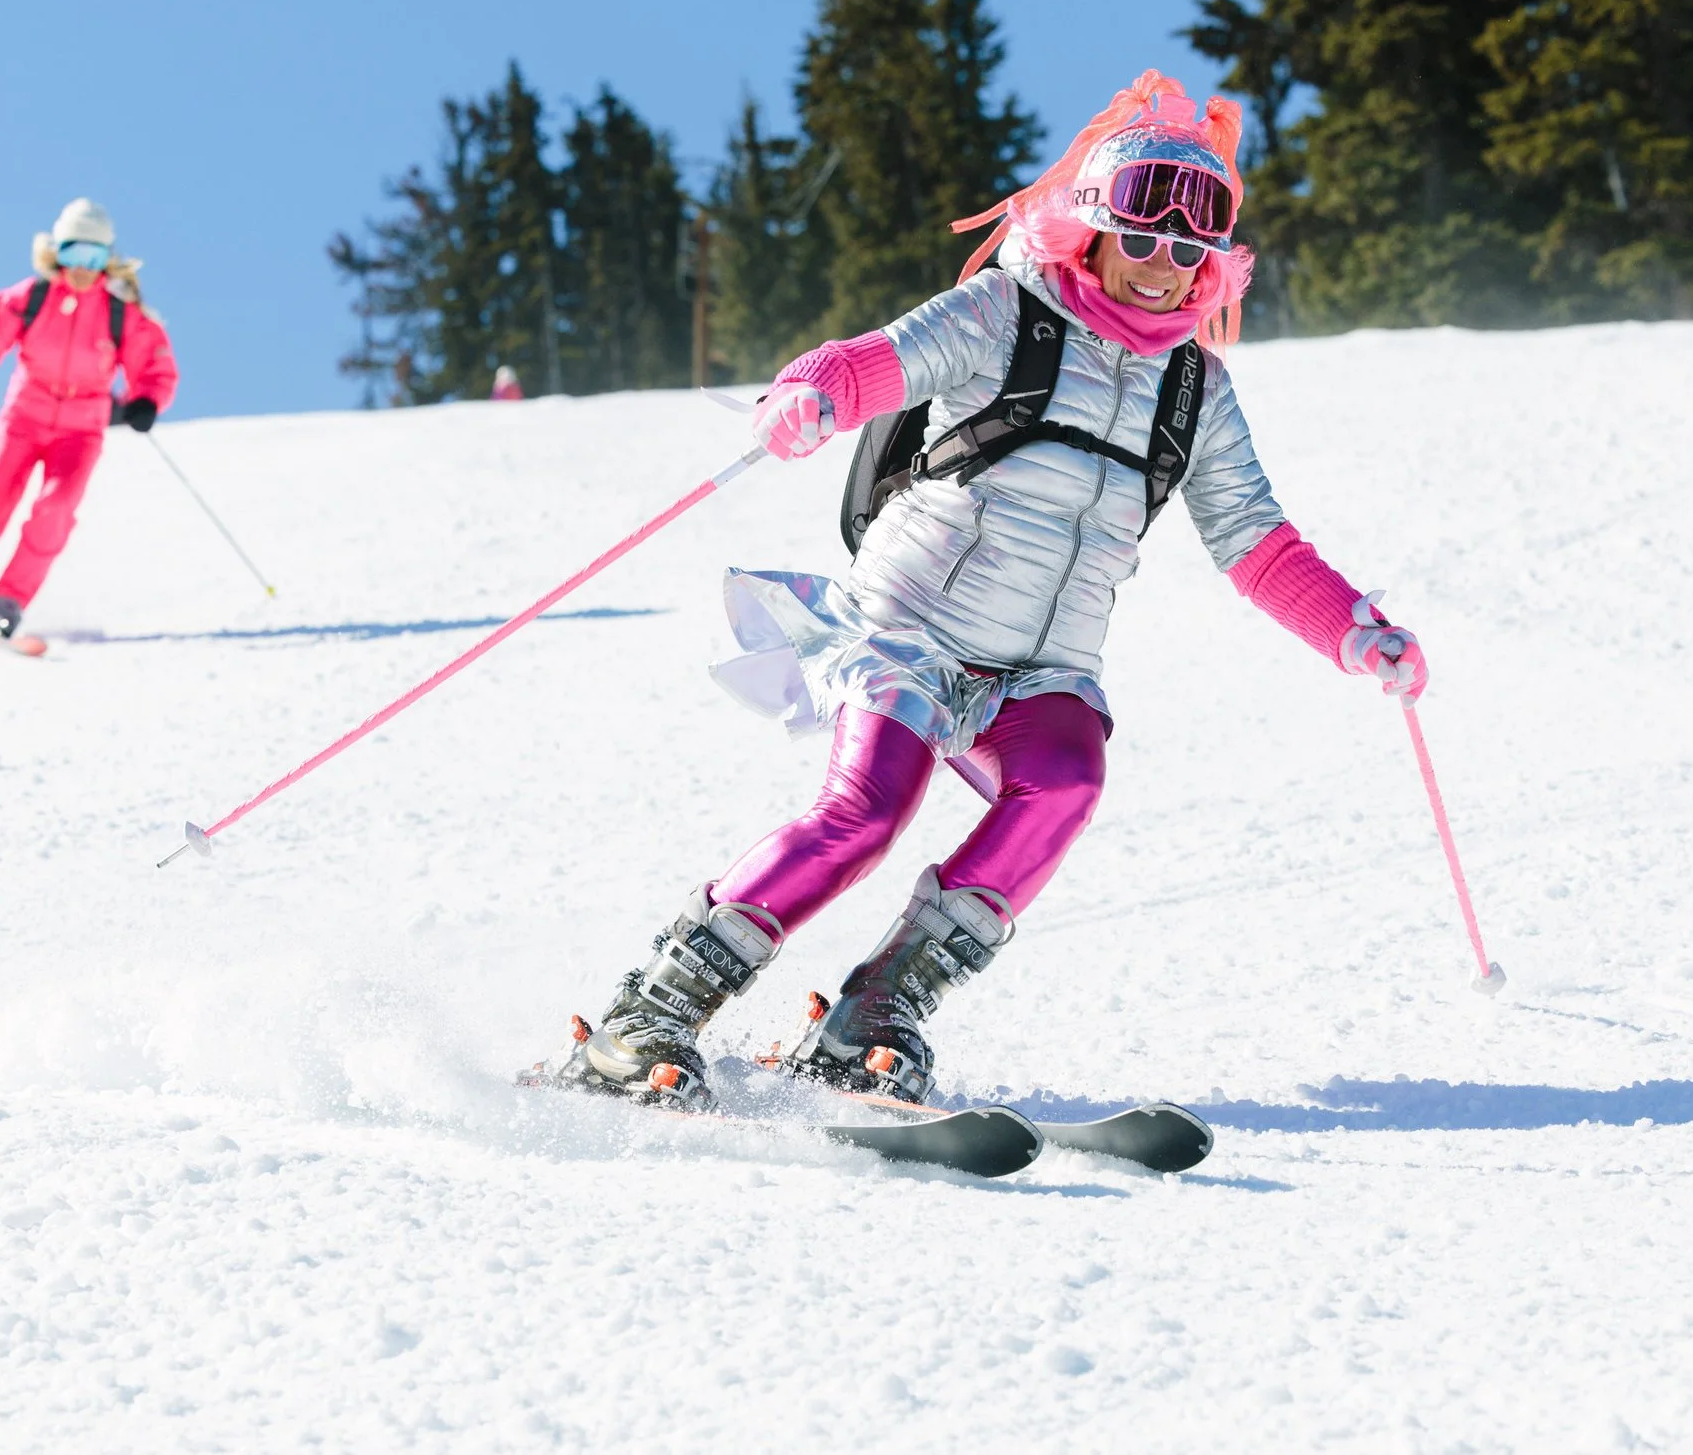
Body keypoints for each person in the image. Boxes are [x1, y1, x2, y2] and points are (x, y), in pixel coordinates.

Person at [557, 71, 1427, 1108]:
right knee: (867, 810)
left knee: (1066, 777)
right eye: (1141, 240)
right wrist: (812, 393)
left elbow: (1256, 541)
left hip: (1042, 664)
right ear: (1090, 231)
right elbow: (879, 361)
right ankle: (649, 1012)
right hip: (907, 628)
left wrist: (1352, 631)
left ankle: (873, 1015)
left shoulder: (1197, 387)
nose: (1162, 268)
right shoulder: (1007, 312)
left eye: (1188, 252)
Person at [0, 198, 179, 652]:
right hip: (23, 421)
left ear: (107, 259)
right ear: (56, 253)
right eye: (73, 255)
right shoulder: (32, 299)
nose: (82, 268)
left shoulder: (120, 314)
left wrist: (146, 400)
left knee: (55, 513)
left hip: (80, 432)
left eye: (93, 258)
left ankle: (8, 608)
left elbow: (155, 364)